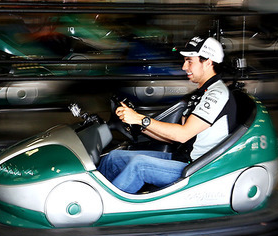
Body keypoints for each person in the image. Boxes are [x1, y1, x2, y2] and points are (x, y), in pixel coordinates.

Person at [98, 36, 236, 194]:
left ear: (208, 62)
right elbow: (172, 137)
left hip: (197, 168)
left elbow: (183, 134)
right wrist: (138, 124)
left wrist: (139, 118)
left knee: (139, 166)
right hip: (181, 158)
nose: (184, 67)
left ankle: (105, 210)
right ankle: (94, 195)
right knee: (113, 158)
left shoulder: (216, 94)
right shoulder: (200, 93)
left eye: (190, 61)